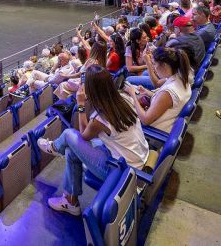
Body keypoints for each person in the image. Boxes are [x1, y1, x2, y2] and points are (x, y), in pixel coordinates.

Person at [36, 65, 150, 215]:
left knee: (69, 135)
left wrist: (81, 104)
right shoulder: (124, 98)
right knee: (71, 150)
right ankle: (70, 201)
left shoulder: (101, 118)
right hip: (136, 159)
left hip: (121, 170)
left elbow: (83, 134)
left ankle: (56, 147)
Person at [133, 47, 193, 132]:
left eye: (154, 64)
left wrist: (133, 95)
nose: (153, 68)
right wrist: (146, 92)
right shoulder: (181, 77)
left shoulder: (168, 92)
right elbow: (163, 101)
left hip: (153, 132)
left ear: (164, 65)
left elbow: (145, 120)